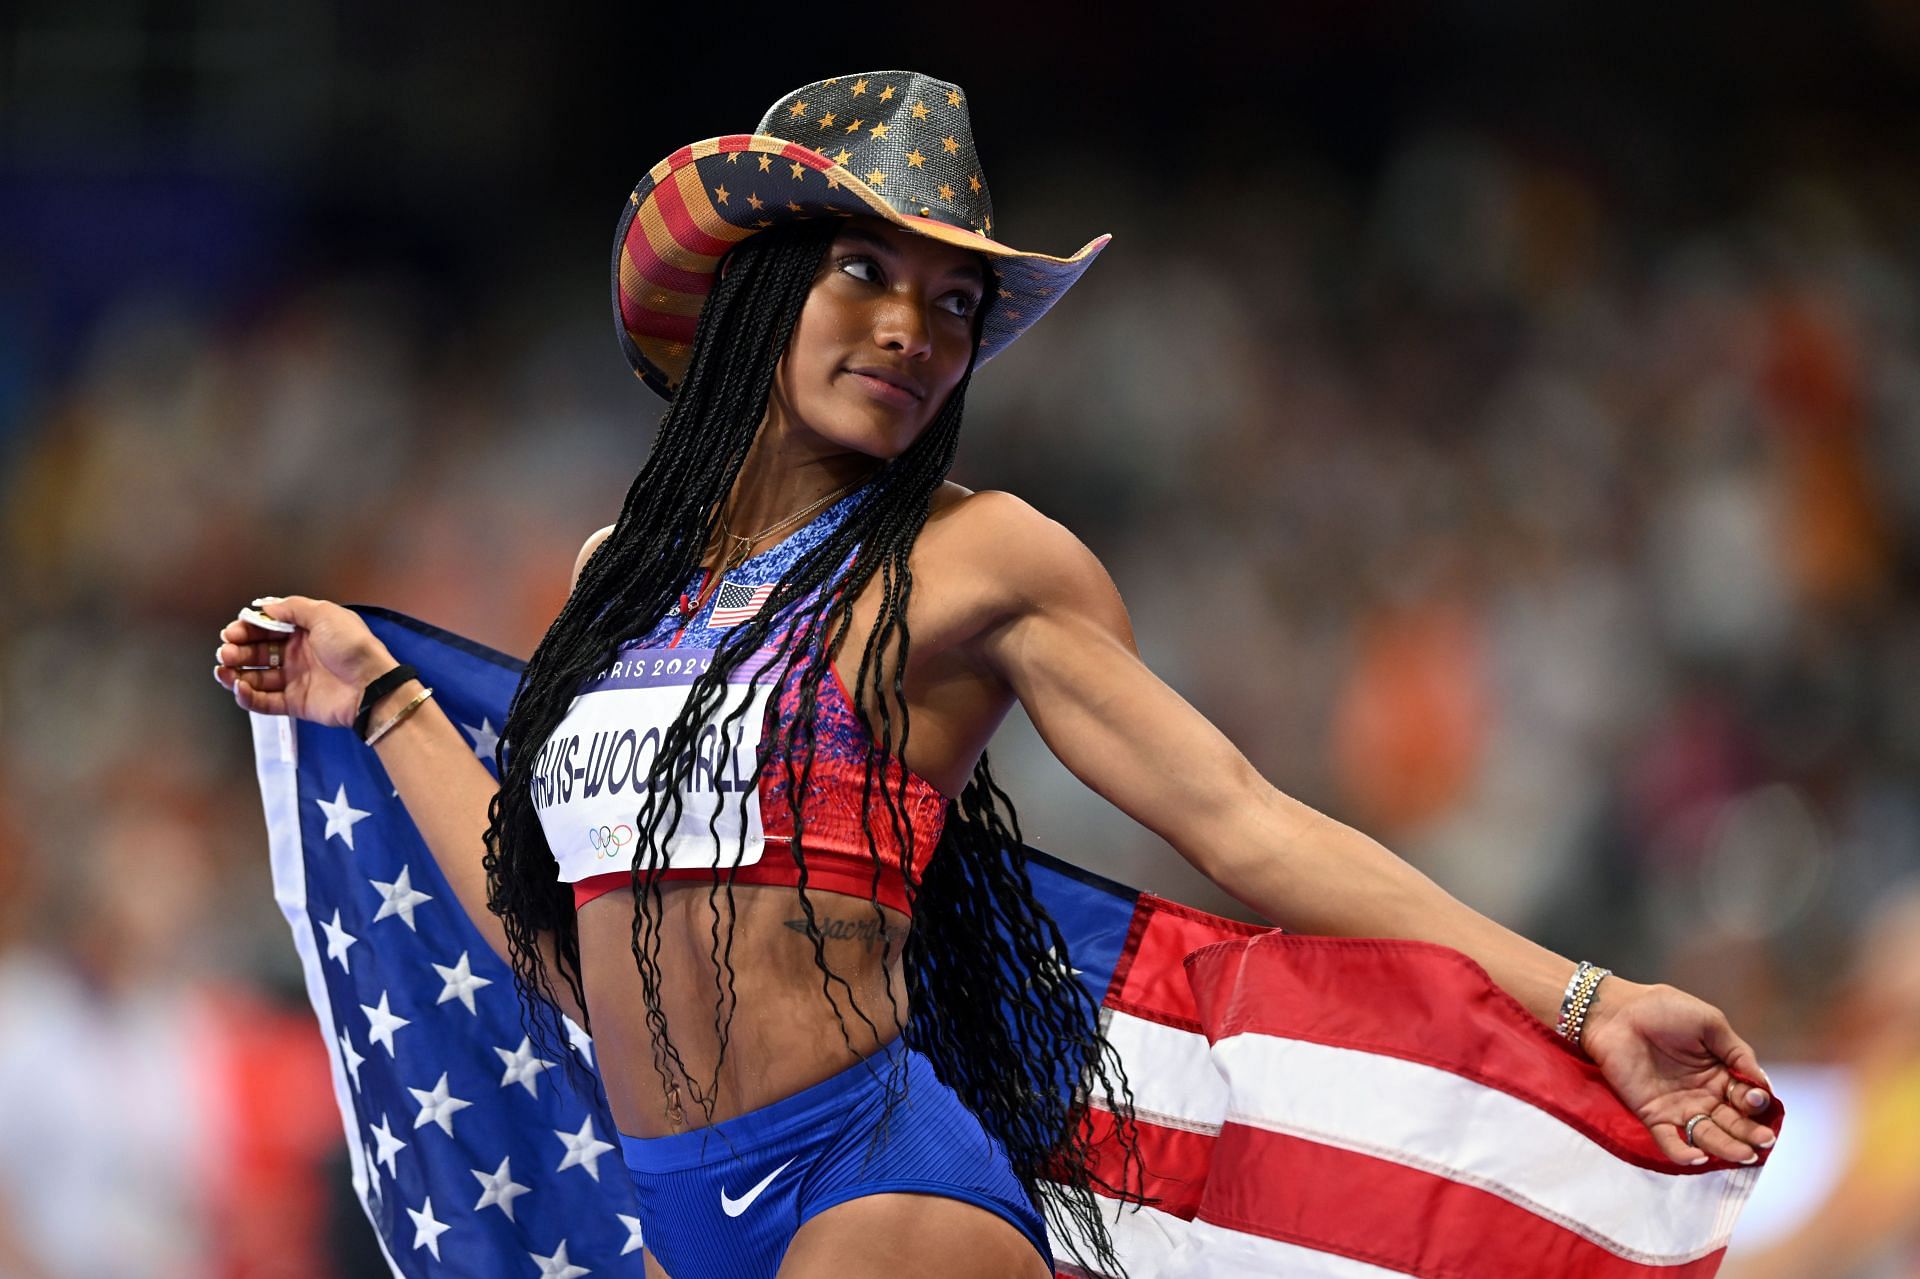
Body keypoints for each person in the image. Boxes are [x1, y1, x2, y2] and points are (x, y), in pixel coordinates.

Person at [213, 70, 1779, 1279]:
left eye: (954, 306)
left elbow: (1241, 822)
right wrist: (387, 700)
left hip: (878, 1188)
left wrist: (1588, 999)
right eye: (864, 278)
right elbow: (564, 958)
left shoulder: (985, 563)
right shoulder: (613, 581)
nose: (913, 331)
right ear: (760, 290)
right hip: (674, 1206)